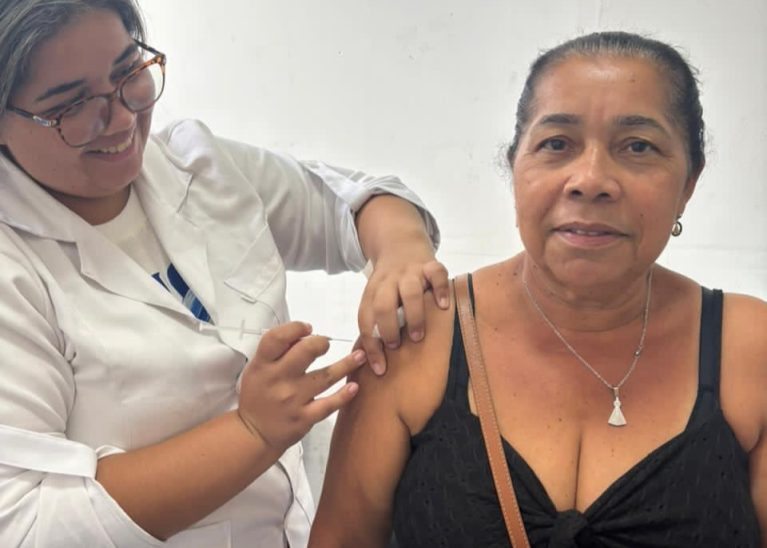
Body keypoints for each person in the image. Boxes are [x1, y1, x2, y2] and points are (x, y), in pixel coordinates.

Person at [0, 0, 451, 546]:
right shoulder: (14, 273)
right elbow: (24, 524)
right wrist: (250, 433)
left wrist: (400, 252)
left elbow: (356, 203)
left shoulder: (195, 163)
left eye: (127, 73)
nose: (120, 119)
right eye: (72, 106)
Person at [310, 31, 767, 547]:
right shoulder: (416, 336)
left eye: (638, 147)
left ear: (689, 183)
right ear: (515, 167)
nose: (590, 179)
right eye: (556, 144)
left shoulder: (749, 347)